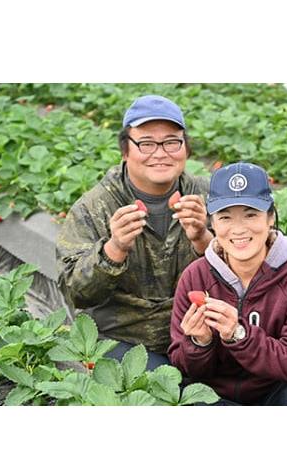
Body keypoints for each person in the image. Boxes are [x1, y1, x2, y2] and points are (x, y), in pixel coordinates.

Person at [56, 95, 213, 368]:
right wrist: (113, 249)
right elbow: (75, 294)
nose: (160, 153)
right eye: (146, 143)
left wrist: (203, 239)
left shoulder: (210, 197)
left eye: (171, 141)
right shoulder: (94, 207)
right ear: (125, 150)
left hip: (199, 334)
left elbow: (249, 274)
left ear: (186, 148)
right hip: (124, 340)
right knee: (164, 389)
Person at [168, 162, 287, 405]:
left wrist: (238, 335)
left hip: (275, 392)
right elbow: (184, 367)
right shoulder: (195, 277)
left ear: (271, 218)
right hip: (214, 396)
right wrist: (199, 343)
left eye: (251, 214)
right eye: (225, 217)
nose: (238, 229)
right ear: (213, 223)